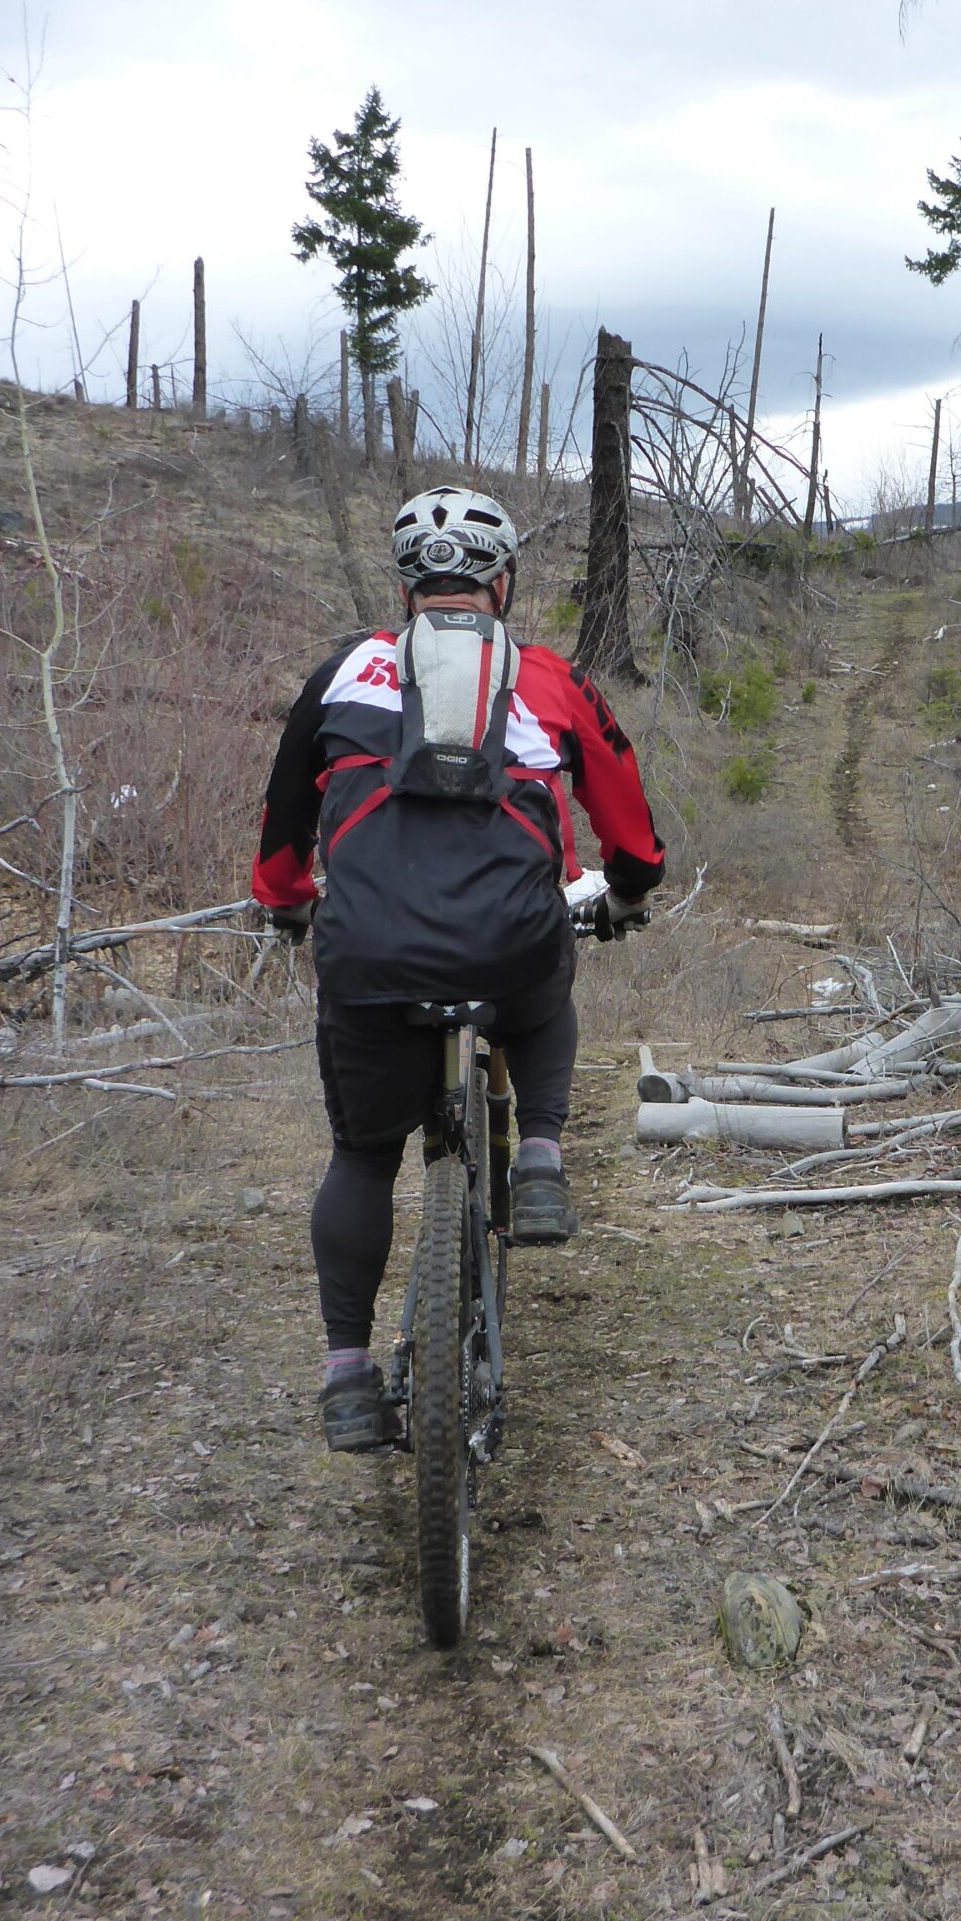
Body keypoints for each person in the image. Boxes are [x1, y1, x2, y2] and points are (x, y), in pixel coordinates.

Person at [251, 484, 663, 1451]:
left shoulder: (345, 674)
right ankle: (545, 1157)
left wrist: (288, 904)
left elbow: (280, 828)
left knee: (361, 1155)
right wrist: (631, 891)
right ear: (504, 582)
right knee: (544, 981)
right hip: (509, 943)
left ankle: (348, 1372)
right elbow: (630, 825)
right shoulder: (552, 679)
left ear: (407, 589)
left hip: (368, 960)